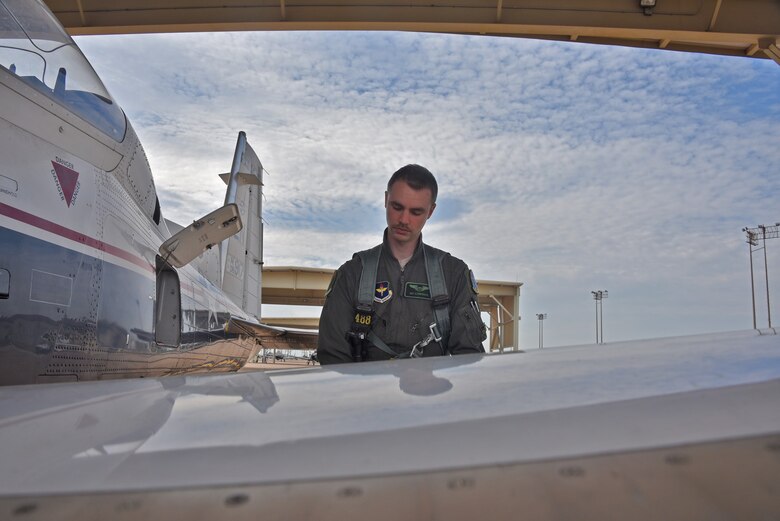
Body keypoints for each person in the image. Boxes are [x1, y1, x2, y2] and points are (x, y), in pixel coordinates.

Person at [317, 164, 487, 364]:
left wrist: (436, 385)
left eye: (416, 212)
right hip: (363, 393)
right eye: (397, 207)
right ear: (386, 200)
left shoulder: (453, 275)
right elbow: (332, 359)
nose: (404, 219)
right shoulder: (352, 274)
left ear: (431, 211)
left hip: (431, 394)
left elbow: (469, 361)